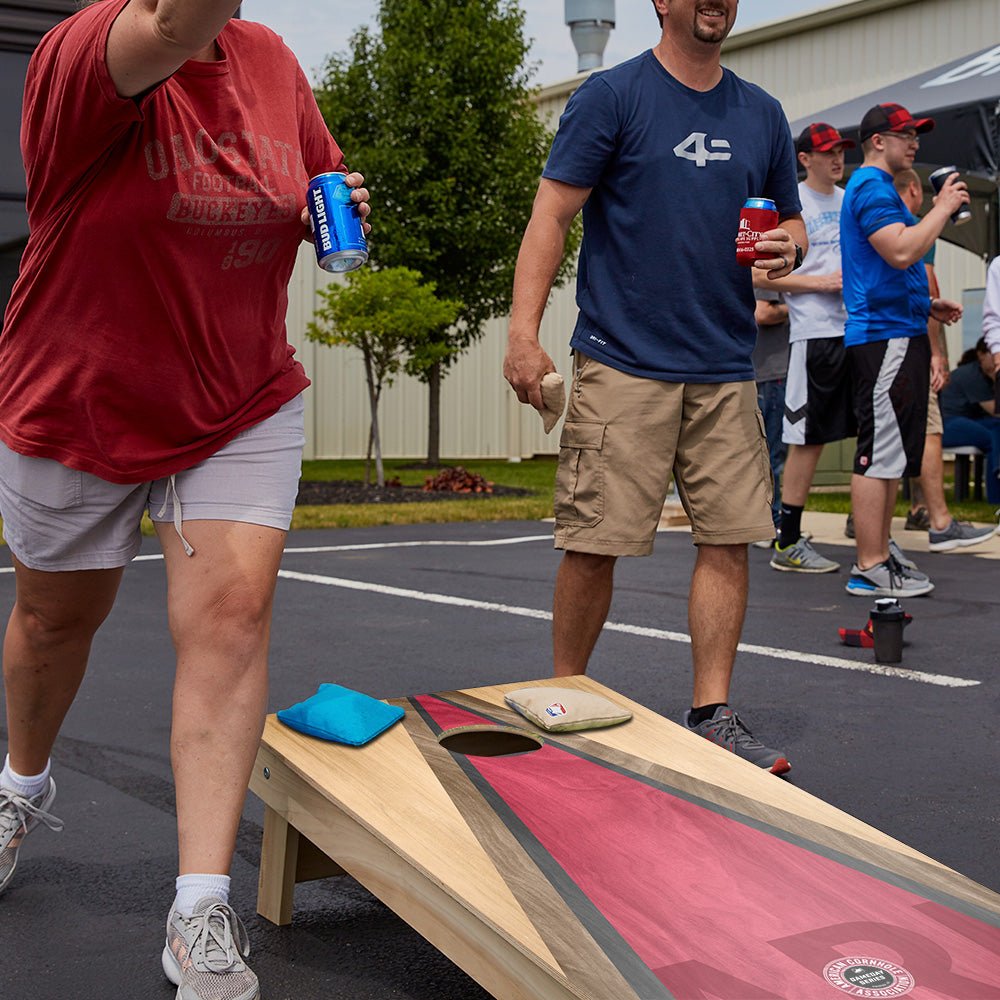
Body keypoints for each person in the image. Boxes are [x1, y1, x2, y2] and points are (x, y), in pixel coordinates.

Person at [0, 2, 370, 998]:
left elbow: (314, 177)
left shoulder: (271, 62)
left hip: (238, 396)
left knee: (230, 618)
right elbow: (170, 22)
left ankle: (198, 907)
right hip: (82, 395)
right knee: (51, 621)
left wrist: (326, 203)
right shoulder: (87, 50)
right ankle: (19, 784)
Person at [504, 0, 805, 774]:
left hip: (724, 364)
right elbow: (552, 215)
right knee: (594, 542)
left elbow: (791, 226)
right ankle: (561, 698)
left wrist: (785, 244)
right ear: (661, 2)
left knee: (729, 538)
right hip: (622, 359)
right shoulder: (613, 96)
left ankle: (713, 713)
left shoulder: (762, 113)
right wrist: (522, 332)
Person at [840, 103, 966, 598]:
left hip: (899, 328)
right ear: (877, 141)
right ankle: (869, 564)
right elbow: (899, 250)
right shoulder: (871, 187)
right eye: (904, 134)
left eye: (917, 134)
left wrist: (926, 304)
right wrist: (942, 206)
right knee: (879, 452)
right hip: (883, 336)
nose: (914, 142)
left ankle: (881, 551)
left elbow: (890, 263)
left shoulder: (880, 191)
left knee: (891, 453)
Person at [765, 123, 856, 575]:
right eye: (827, 152)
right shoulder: (793, 205)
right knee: (808, 439)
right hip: (813, 334)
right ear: (805, 158)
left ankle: (871, 533)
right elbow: (762, 277)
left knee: (875, 433)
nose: (837, 159)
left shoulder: (851, 199)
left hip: (858, 330)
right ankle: (788, 540)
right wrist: (820, 282)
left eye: (841, 151)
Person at [891, 169, 993, 551]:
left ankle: (905, 511)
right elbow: (927, 286)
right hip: (910, 338)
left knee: (889, 430)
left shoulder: (877, 224)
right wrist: (937, 354)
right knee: (929, 429)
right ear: (916, 190)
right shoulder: (918, 226)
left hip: (876, 339)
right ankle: (940, 522)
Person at [940, 338, 1000, 505]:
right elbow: (996, 410)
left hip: (967, 421)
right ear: (981, 355)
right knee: (992, 438)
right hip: (947, 423)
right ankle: (995, 495)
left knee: (996, 429)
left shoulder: (985, 375)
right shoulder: (972, 375)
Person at [751, 283, 790, 542]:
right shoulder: (767, 270)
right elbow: (763, 312)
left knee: (771, 453)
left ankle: (767, 521)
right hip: (771, 372)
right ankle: (769, 522)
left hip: (771, 371)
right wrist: (800, 303)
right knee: (771, 454)